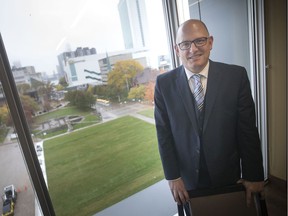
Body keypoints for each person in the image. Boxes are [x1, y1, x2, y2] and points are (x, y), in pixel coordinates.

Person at [154, 19, 264, 212]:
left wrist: (254, 175)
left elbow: (247, 130)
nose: (193, 49)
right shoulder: (164, 84)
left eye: (200, 41)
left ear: (211, 42)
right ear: (176, 49)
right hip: (188, 181)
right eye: (185, 44)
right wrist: (173, 177)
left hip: (229, 176)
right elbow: (164, 135)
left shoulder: (236, 76)